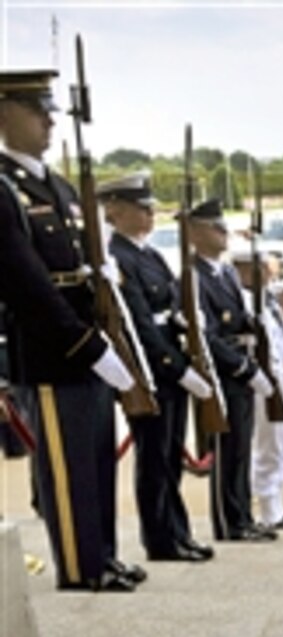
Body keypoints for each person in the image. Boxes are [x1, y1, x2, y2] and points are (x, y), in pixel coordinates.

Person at [0, 70, 144, 591]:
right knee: (69, 470)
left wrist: (102, 278)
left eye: (50, 109)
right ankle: (82, 568)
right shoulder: (4, 189)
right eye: (36, 109)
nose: (49, 119)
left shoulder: (56, 184)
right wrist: (85, 345)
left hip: (87, 336)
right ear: (3, 115)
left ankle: (103, 554)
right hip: (52, 348)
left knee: (98, 458)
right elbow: (25, 283)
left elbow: (81, 260)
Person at [100, 172, 215, 562]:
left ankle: (177, 532)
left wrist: (186, 321)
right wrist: (179, 369)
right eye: (141, 207)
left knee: (168, 459)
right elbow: (138, 327)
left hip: (171, 365)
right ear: (115, 211)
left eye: (150, 207)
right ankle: (161, 540)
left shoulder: (148, 254)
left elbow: (168, 307)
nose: (150, 214)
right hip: (153, 374)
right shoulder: (118, 258)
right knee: (154, 462)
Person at [189, 199, 277, 543]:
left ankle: (243, 514)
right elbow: (206, 335)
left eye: (223, 226)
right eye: (215, 227)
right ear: (195, 233)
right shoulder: (194, 276)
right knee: (228, 450)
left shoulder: (224, 272)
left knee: (242, 448)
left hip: (242, 365)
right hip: (224, 371)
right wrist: (241, 366)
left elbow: (239, 321)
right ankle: (229, 522)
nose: (224, 233)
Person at [233, 252, 283, 531]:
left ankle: (278, 507)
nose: (269, 272)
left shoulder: (268, 301)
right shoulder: (245, 301)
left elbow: (281, 344)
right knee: (270, 447)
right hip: (267, 382)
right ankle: (268, 509)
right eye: (260, 268)